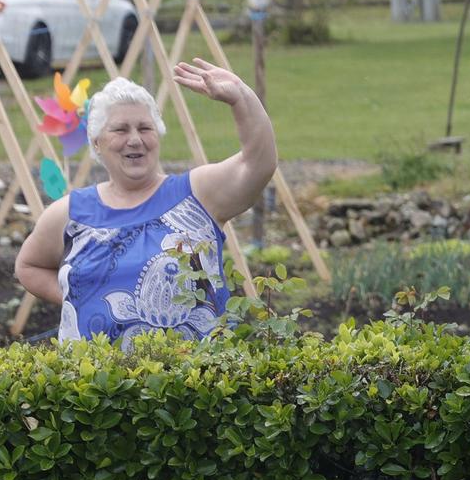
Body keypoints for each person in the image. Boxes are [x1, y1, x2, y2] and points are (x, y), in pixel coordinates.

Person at [14, 62, 277, 345]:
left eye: (145, 128)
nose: (135, 140)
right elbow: (28, 266)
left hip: (193, 381)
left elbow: (258, 163)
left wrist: (240, 97)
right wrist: (75, 298)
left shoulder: (198, 194)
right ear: (97, 142)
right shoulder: (70, 213)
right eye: (120, 130)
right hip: (93, 384)